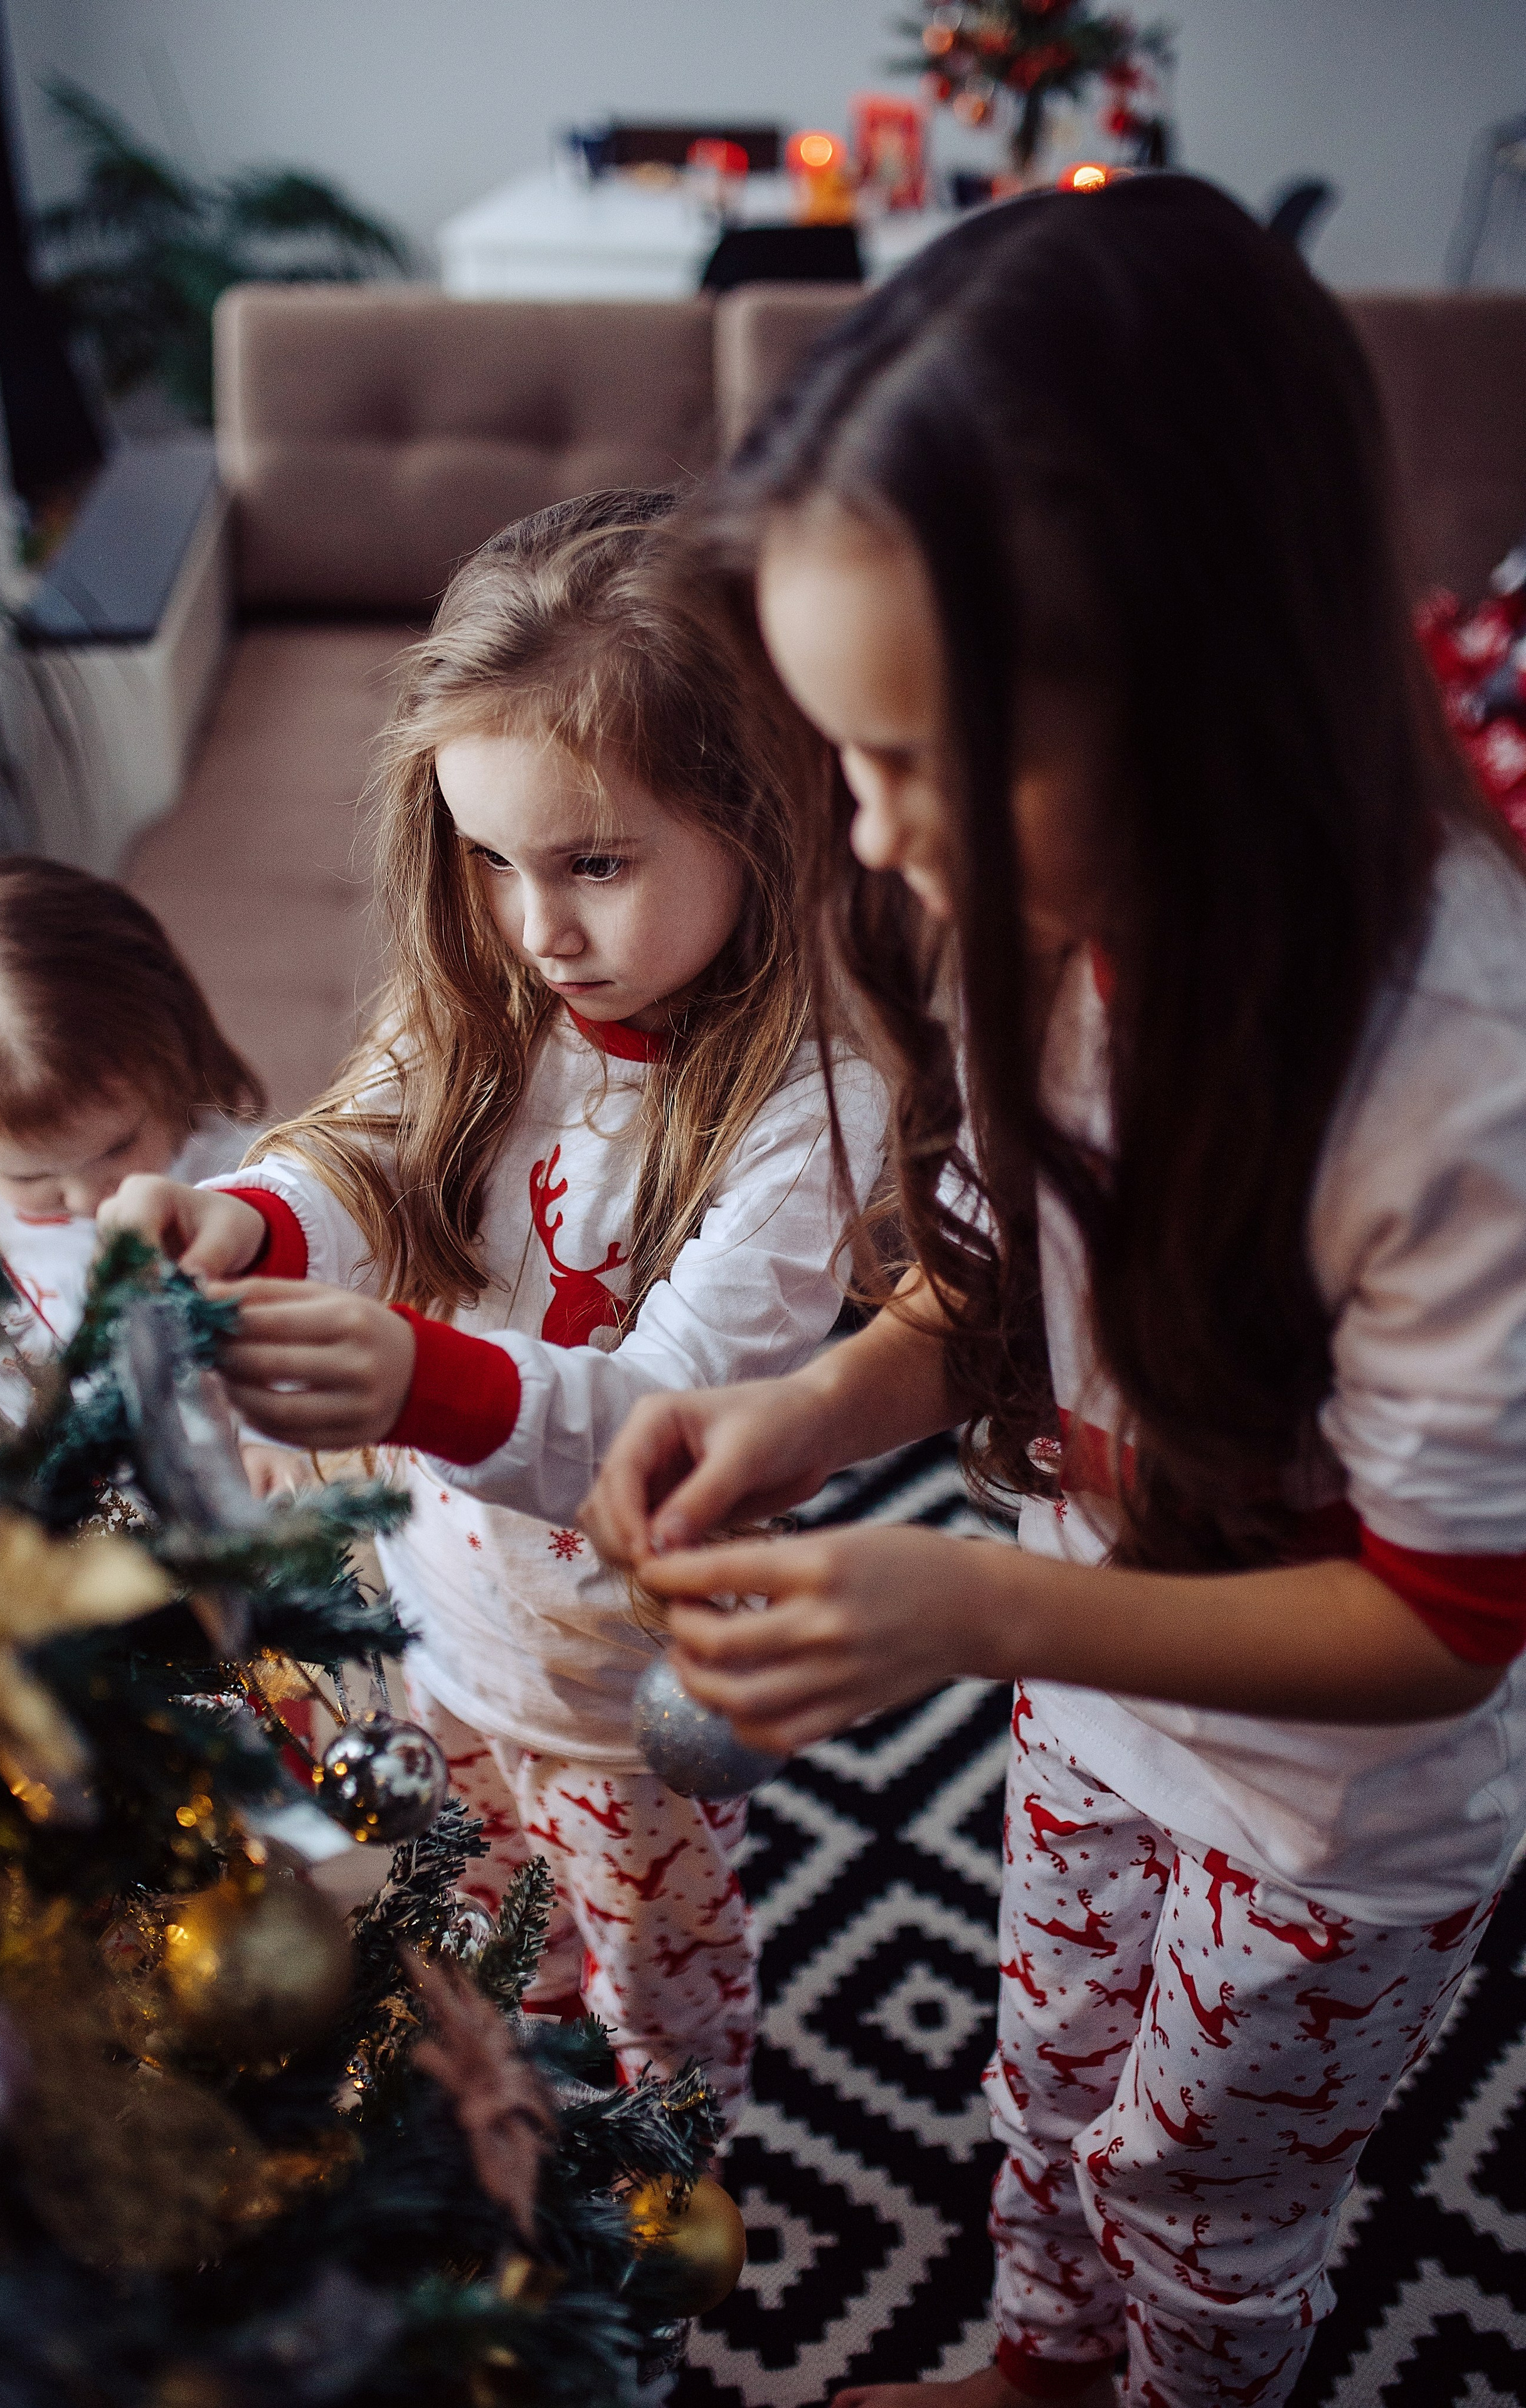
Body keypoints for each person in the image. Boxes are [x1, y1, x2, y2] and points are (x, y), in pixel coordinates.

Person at [578, 178, 1526, 2407]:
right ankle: (1029, 2368)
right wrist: (809, 1420)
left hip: (1331, 1820)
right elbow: (987, 1300)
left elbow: (1443, 1614)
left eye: (922, 760)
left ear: (1210, 675)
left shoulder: (1447, 1086)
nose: (877, 837)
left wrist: (975, 1609)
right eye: (846, 752)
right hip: (1092, 1690)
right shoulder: (1012, 928)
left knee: (1198, 2194)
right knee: (1047, 2080)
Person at [100, 490, 888, 2127]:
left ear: (767, 814)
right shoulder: (484, 998)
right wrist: (237, 1223)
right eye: (490, 861)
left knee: (657, 1962)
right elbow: (361, 1161)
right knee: (490, 1906)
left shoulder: (818, 1105)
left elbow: (672, 1418)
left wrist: (412, 1376)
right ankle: (532, 2073)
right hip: (444, 1614)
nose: (536, 928)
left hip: (630, 1677)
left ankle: (677, 2160)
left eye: (596, 863)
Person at [0, 853, 267, 1391]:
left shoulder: (240, 1187)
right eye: (29, 1177)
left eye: (117, 1147)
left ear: (170, 1060)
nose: (86, 1200)